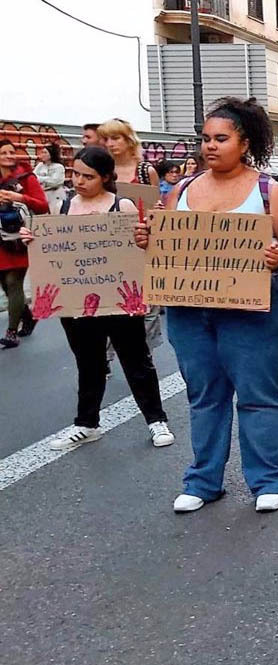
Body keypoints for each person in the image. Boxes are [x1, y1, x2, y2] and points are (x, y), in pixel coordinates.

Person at [136, 97, 278, 514]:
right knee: (204, 394)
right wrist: (147, 240)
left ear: (244, 143)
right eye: (205, 139)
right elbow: (166, 243)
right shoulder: (181, 189)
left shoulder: (269, 190)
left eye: (221, 138)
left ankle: (271, 479)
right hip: (191, 312)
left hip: (256, 311)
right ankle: (203, 480)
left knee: (257, 393)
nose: (210, 146)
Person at [20, 146, 175, 451]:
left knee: (136, 360)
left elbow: (142, 250)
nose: (79, 181)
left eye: (87, 176)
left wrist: (144, 239)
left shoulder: (123, 206)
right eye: (75, 173)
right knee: (88, 363)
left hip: (119, 301)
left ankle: (156, 420)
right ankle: (86, 423)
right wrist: (34, 240)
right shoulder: (63, 208)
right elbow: (54, 251)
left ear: (105, 177)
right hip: (77, 304)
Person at [0, 139, 50, 347]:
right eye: (3, 152)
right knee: (5, 284)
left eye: (11, 152)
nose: (8, 155)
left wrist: (19, 197)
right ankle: (28, 316)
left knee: (14, 283)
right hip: (0, 240)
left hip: (19, 239)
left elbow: (42, 205)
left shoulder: (26, 178)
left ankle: (11, 332)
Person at [98, 119, 159, 192]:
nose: (110, 144)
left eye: (115, 138)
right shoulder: (102, 170)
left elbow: (155, 200)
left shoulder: (145, 171)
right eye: (106, 139)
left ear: (129, 139)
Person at [34, 142, 67, 215]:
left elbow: (55, 181)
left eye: (45, 152)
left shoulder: (58, 167)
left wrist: (41, 179)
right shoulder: (40, 166)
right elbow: (33, 178)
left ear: (51, 154)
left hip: (55, 197)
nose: (42, 155)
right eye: (42, 152)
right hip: (43, 196)